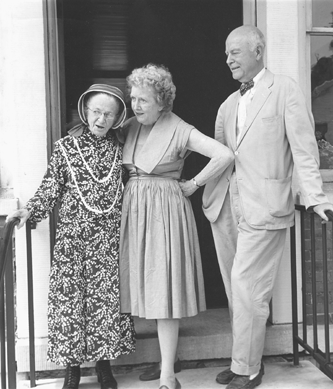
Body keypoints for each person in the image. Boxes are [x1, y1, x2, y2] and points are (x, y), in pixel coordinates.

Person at [202, 25, 333, 389]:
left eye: (235, 52)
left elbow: (304, 148)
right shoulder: (229, 104)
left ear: (258, 50)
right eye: (226, 53)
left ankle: (250, 369)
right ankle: (241, 358)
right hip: (229, 206)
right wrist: (204, 191)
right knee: (235, 288)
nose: (228, 59)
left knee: (248, 287)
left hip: (267, 206)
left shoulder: (285, 89)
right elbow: (221, 155)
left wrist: (315, 197)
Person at [6, 84, 136, 389]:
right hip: (72, 242)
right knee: (70, 304)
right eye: (96, 112)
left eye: (109, 114)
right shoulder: (65, 147)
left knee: (106, 303)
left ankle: (104, 366)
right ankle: (72, 370)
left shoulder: (121, 150)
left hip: (107, 241)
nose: (101, 119)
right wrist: (29, 212)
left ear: (117, 118)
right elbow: (50, 187)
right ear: (85, 111)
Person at [119, 63, 234, 389]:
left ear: (162, 101)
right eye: (133, 98)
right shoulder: (132, 126)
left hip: (165, 211)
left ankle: (168, 374)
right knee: (145, 287)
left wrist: (195, 183)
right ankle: (167, 360)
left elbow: (223, 154)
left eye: (142, 99)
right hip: (136, 208)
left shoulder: (180, 128)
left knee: (163, 288)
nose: (136, 104)